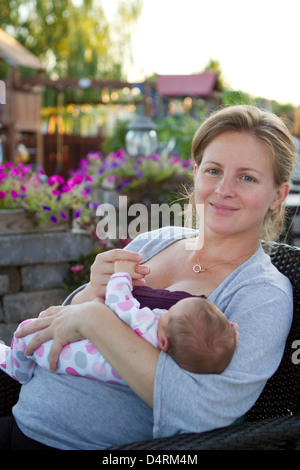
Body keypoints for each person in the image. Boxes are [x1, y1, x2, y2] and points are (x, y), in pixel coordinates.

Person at [0, 105, 297, 450]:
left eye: (247, 177)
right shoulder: (159, 239)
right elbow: (60, 325)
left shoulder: (263, 292)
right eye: (213, 170)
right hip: (20, 416)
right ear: (197, 174)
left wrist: (96, 319)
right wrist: (89, 293)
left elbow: (204, 411)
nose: (223, 189)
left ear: (277, 195)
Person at [0, 260, 239, 384]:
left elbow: (118, 301)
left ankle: (14, 367)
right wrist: (226, 336)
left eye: (167, 314)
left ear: (164, 342)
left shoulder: (149, 327)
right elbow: (206, 341)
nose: (160, 312)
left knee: (26, 334)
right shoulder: (183, 353)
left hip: (64, 358)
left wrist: (122, 274)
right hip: (90, 367)